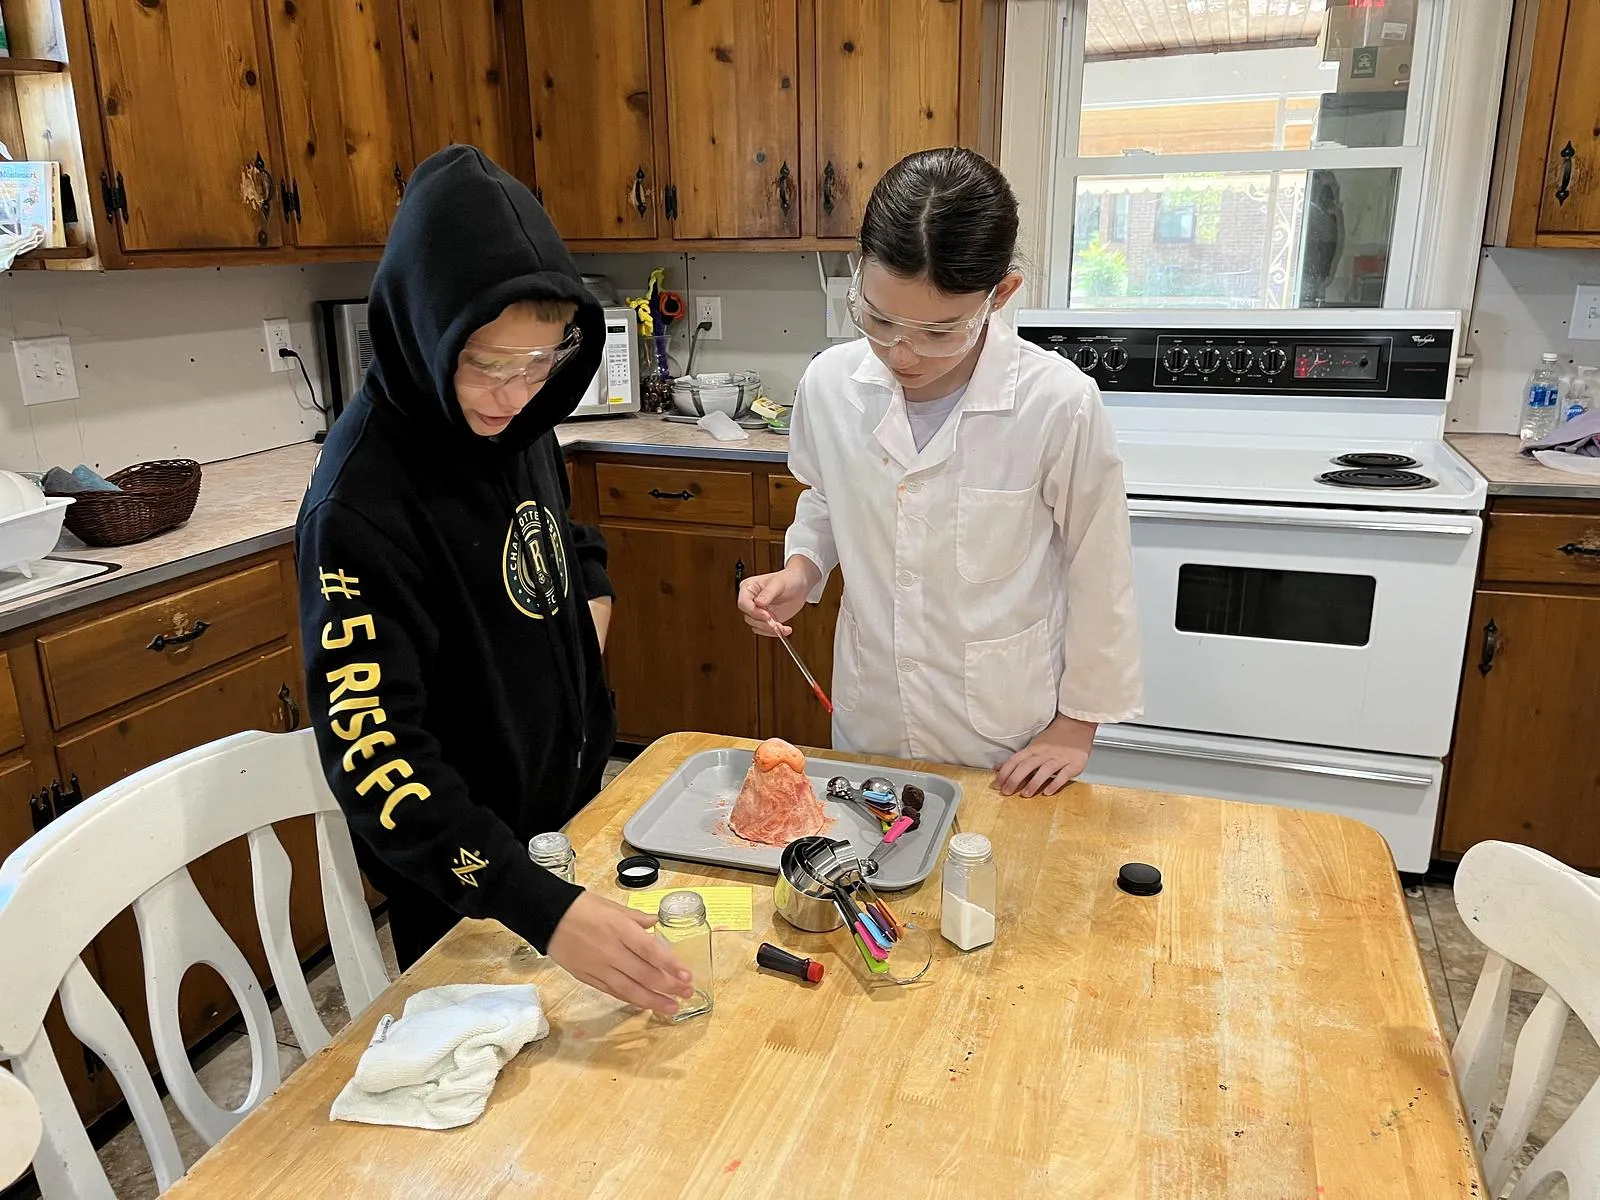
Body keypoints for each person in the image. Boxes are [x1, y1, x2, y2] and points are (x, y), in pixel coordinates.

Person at [297, 146, 691, 1014]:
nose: (513, 394)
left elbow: (567, 540)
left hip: (566, 829)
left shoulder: (512, 420)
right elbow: (376, 756)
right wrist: (536, 907)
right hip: (465, 884)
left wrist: (585, 624)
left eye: (540, 362)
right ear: (422, 326)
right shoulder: (359, 504)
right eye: (485, 362)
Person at [738, 148, 1142, 797]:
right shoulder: (830, 385)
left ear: (1000, 295)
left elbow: (1102, 568)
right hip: (874, 716)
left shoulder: (1056, 403)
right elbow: (825, 495)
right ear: (858, 271)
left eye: (938, 331)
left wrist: (1077, 723)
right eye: (878, 318)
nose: (902, 353)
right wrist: (801, 570)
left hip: (1003, 735)